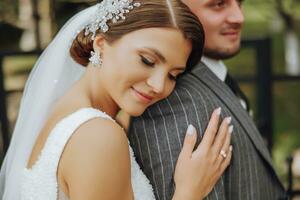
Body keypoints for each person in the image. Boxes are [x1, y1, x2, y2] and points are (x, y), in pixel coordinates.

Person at [0, 0, 234, 199]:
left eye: (173, 75)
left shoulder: (64, 111)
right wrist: (189, 193)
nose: (159, 85)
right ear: (101, 45)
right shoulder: (98, 135)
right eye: (147, 61)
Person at [129, 0, 288, 199]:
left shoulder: (213, 76)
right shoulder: (176, 98)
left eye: (240, 3)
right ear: (178, 8)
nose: (239, 17)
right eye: (218, 4)